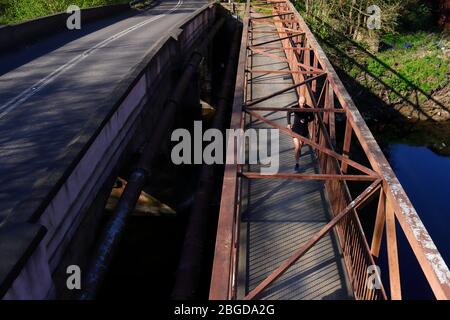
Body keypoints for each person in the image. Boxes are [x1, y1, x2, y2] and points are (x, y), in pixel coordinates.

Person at [286, 96, 314, 172]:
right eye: (301, 103)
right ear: (299, 101)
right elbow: (288, 112)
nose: (303, 105)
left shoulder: (309, 108)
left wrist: (306, 120)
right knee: (297, 147)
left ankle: (299, 151)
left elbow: (312, 118)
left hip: (304, 131)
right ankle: (297, 164)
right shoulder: (295, 107)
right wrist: (288, 123)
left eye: (304, 103)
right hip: (295, 129)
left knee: (300, 145)